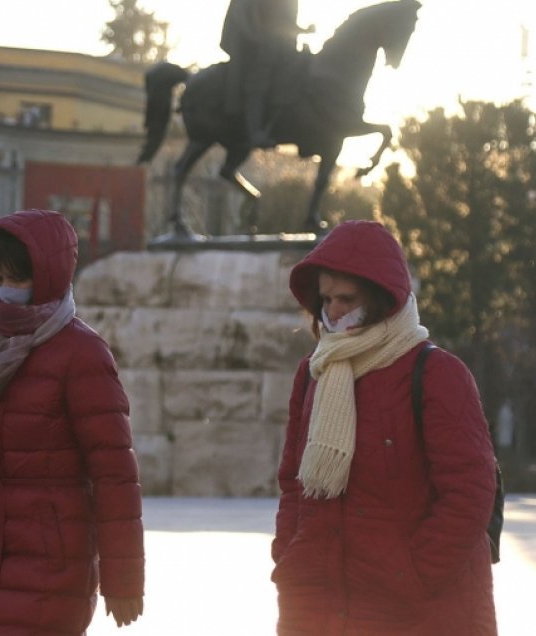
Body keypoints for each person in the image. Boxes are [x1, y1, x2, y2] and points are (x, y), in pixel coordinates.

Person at [272, 220, 497, 634]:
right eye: (326, 299)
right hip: (318, 605)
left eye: (347, 298)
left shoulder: (436, 373)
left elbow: (469, 492)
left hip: (415, 610)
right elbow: (293, 483)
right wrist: (289, 555)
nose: (334, 310)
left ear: (381, 297)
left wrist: (413, 574)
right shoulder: (314, 372)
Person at [0, 209, 145, 635]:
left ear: (49, 275)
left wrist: (123, 580)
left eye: (18, 278)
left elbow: (114, 473)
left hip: (53, 555)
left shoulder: (82, 353)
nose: (6, 290)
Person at [220, 0, 309, 148]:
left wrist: (304, 30)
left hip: (282, 47)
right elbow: (245, 18)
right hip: (258, 48)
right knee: (257, 84)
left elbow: (284, 22)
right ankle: (255, 131)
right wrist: (256, 36)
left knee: (302, 70)